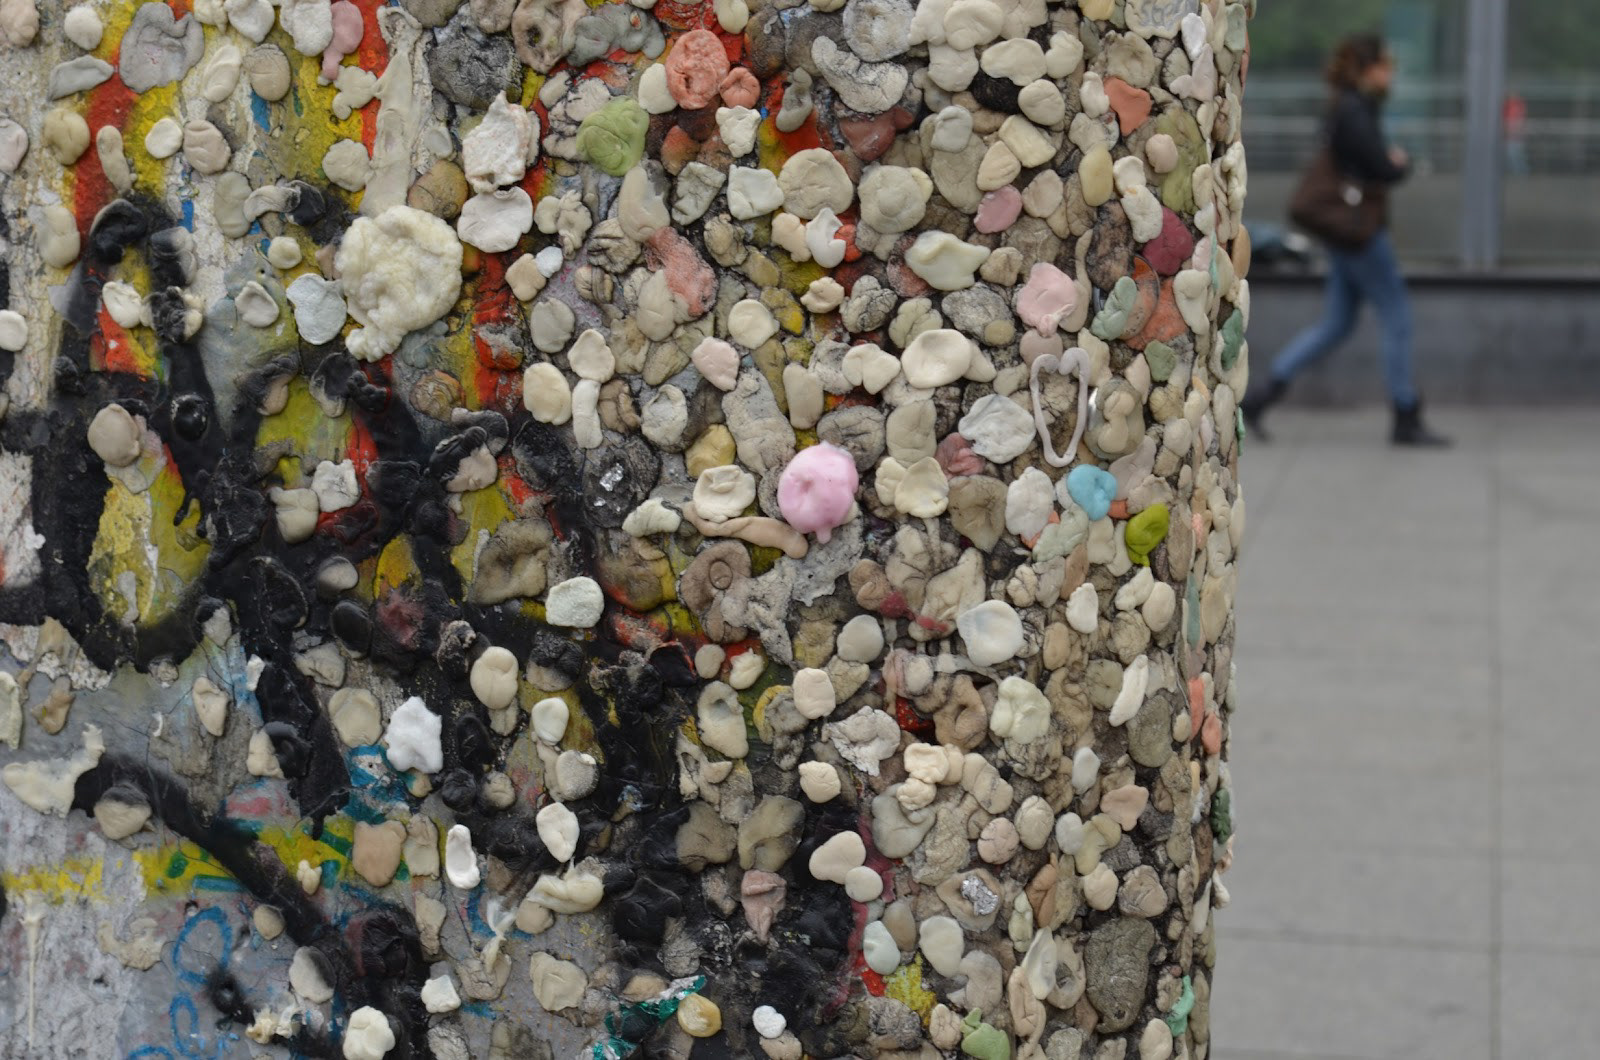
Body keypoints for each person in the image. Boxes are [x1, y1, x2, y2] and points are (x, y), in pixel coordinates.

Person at [1241, 33, 1450, 446]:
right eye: (1386, 67)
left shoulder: (1347, 105)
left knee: (1335, 324)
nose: (1391, 75)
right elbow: (1379, 168)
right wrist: (1398, 163)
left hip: (1345, 234)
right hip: (1360, 235)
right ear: (1368, 69)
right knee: (1398, 317)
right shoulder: (1355, 110)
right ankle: (1405, 414)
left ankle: (1261, 397)